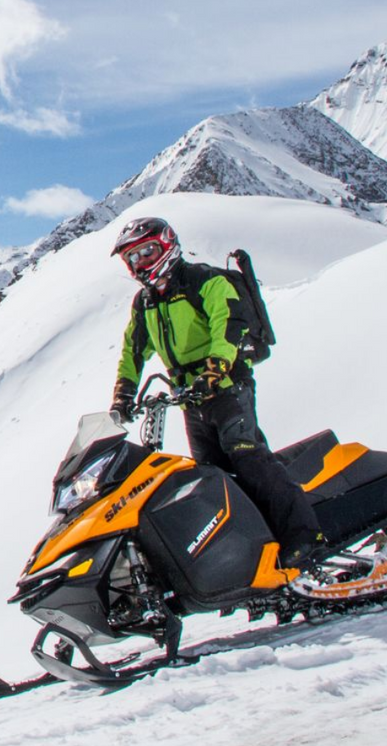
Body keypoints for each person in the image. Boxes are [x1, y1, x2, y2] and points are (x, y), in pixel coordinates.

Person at [107, 216, 327, 570]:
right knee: (212, 477)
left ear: (166, 245)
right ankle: (251, 554)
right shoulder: (145, 303)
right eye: (132, 257)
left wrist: (215, 370)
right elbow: (133, 351)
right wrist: (123, 393)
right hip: (190, 397)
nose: (140, 263)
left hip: (226, 388)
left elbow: (227, 328)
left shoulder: (204, 281)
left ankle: (305, 537)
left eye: (146, 252)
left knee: (249, 457)